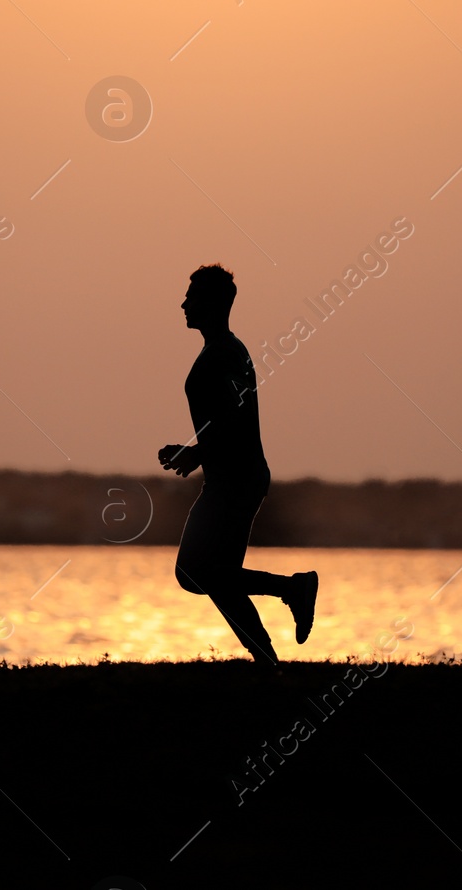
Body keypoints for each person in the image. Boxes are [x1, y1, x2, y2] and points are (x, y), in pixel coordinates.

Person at [159, 264, 318, 665]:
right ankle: (266, 661)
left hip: (235, 481)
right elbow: (225, 420)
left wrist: (197, 453)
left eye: (192, 295)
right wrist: (196, 452)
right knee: (220, 576)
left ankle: (291, 589)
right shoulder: (222, 352)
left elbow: (233, 418)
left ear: (212, 303)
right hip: (232, 477)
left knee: (192, 572)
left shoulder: (226, 354)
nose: (183, 303)